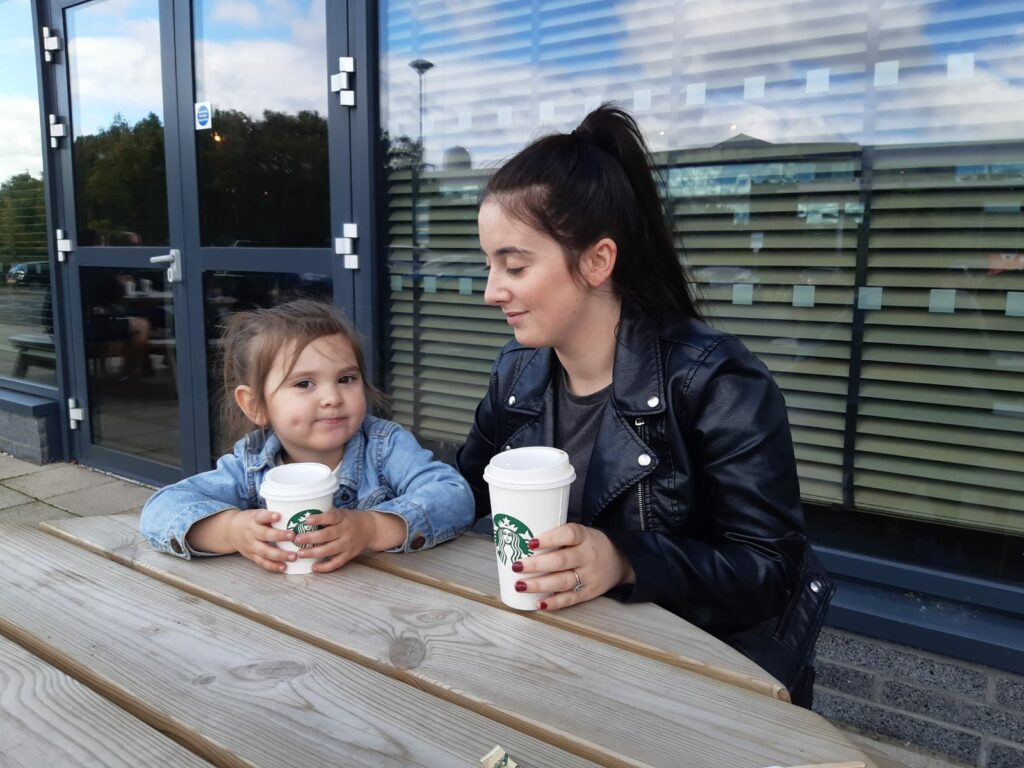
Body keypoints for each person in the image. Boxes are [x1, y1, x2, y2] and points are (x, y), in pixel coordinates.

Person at [456, 105, 833, 706]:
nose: (491, 290)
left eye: (514, 265)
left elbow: (770, 571)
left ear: (597, 261)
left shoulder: (715, 382)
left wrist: (625, 560)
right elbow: (460, 490)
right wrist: (372, 505)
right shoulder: (518, 374)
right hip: (564, 669)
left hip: (696, 686)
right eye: (488, 264)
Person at [141, 298, 474, 572]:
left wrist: (371, 528)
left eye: (346, 379)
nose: (332, 397)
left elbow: (454, 495)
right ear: (255, 404)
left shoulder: (385, 447)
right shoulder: (250, 464)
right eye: (304, 384)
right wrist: (232, 531)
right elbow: (161, 509)